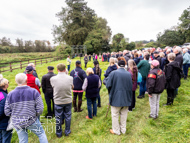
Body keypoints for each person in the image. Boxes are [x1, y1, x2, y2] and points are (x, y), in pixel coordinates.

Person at [4, 73, 48, 143]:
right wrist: (35, 115)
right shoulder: (34, 91)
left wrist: (15, 116)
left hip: (18, 122)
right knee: (41, 134)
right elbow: (40, 109)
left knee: (23, 140)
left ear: (15, 81)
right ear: (27, 80)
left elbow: (7, 111)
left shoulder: (10, 94)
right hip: (32, 120)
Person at [106, 60, 132, 135]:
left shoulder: (113, 73)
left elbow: (108, 85)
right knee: (124, 114)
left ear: (117, 65)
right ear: (125, 65)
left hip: (116, 97)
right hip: (126, 97)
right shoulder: (128, 74)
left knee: (115, 115)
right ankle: (123, 130)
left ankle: (116, 131)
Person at [50, 63, 73, 137]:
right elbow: (72, 87)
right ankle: (67, 131)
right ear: (65, 69)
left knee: (58, 117)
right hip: (68, 100)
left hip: (58, 101)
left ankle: (59, 133)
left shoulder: (53, 79)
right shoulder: (70, 78)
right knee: (68, 116)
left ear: (57, 70)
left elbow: (53, 86)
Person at [0, 78, 12, 143]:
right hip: (4, 123)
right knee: (6, 139)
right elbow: (2, 111)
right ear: (5, 85)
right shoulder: (5, 96)